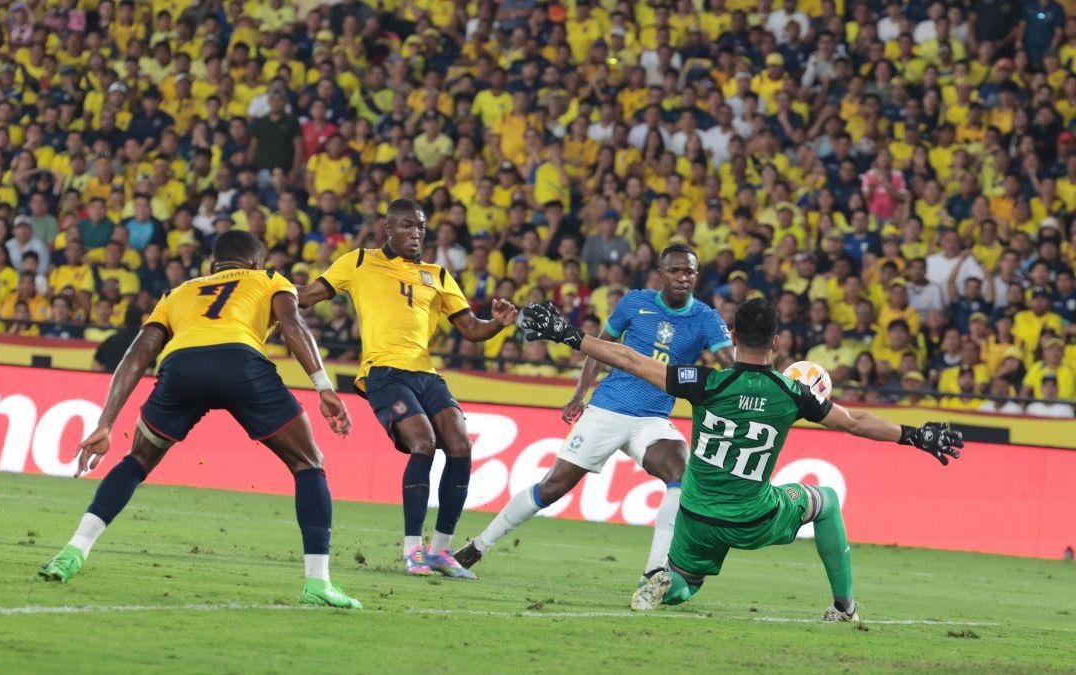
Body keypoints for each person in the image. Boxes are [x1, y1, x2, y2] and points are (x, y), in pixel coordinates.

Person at [520, 298, 962, 618]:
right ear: (775, 341)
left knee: (685, 586)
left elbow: (631, 360)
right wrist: (915, 436)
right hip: (755, 514)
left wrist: (570, 335)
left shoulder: (706, 382)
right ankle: (844, 607)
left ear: (732, 337)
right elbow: (856, 421)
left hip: (696, 513)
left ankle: (663, 582)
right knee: (824, 499)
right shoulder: (793, 395)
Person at [38, 231, 361, 609]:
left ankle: (72, 552)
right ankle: (318, 583)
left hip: (182, 366)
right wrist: (323, 386)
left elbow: (139, 352)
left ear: (212, 266)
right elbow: (293, 326)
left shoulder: (179, 292)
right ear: (256, 263)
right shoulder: (269, 279)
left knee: (137, 460)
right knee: (309, 464)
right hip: (240, 362)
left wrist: (106, 422)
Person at [455, 244, 735, 588]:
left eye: (689, 272)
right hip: (608, 408)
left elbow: (729, 362)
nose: (682, 278)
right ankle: (478, 546)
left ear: (696, 277)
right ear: (661, 274)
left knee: (682, 472)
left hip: (653, 419)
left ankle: (654, 573)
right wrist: (579, 393)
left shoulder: (706, 318)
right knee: (553, 487)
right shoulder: (634, 302)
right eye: (675, 271)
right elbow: (597, 347)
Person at [297, 198, 518, 579]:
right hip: (384, 372)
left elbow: (470, 329)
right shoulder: (359, 262)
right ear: (387, 229)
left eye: (419, 227)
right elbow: (305, 296)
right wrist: (269, 287)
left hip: (425, 372)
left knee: (461, 445)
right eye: (405, 226)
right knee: (423, 442)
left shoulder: (439, 275)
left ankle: (440, 551)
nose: (414, 233)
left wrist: (497, 323)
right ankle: (412, 550)